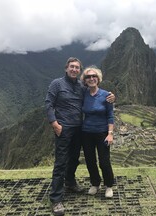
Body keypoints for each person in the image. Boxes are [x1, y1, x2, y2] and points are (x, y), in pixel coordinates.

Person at [45, 57, 115, 215]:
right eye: (72, 67)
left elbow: (97, 93)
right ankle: (56, 199)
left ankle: (70, 182)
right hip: (63, 129)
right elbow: (48, 103)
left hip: (79, 130)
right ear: (66, 68)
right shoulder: (57, 84)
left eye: (77, 67)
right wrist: (54, 123)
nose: (74, 69)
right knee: (61, 162)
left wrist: (112, 97)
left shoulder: (81, 86)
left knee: (74, 159)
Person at [80, 66, 115, 198]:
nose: (91, 78)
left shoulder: (106, 95)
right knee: (90, 160)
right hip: (86, 132)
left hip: (102, 132)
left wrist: (110, 133)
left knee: (104, 161)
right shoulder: (83, 94)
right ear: (85, 80)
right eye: (88, 77)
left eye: (94, 76)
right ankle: (95, 183)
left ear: (98, 79)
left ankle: (109, 185)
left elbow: (110, 115)